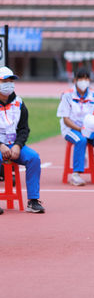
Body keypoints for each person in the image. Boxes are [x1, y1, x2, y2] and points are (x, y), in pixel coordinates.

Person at [0, 66, 45, 214]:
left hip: (14, 145)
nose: (9, 84)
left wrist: (18, 146)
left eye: (11, 80)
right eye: (5, 81)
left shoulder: (19, 103)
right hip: (0, 147)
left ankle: (33, 201)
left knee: (33, 158)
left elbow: (24, 129)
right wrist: (1, 145)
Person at [57, 68, 94, 186]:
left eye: (86, 78)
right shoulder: (67, 95)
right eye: (81, 78)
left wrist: (90, 127)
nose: (84, 81)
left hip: (89, 128)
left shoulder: (93, 96)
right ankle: (76, 175)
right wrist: (80, 129)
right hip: (70, 129)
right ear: (75, 80)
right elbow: (66, 119)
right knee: (80, 140)